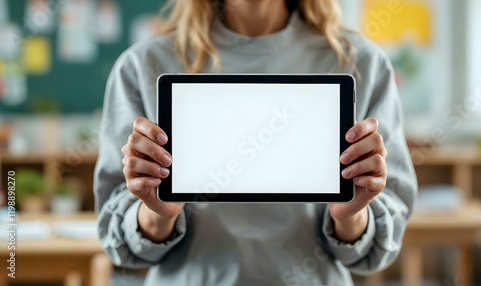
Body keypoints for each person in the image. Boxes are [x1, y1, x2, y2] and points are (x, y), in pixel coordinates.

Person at [94, 0, 417, 285]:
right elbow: (119, 241)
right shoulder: (143, 65)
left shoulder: (362, 63)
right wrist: (156, 213)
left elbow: (379, 245)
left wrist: (351, 214)